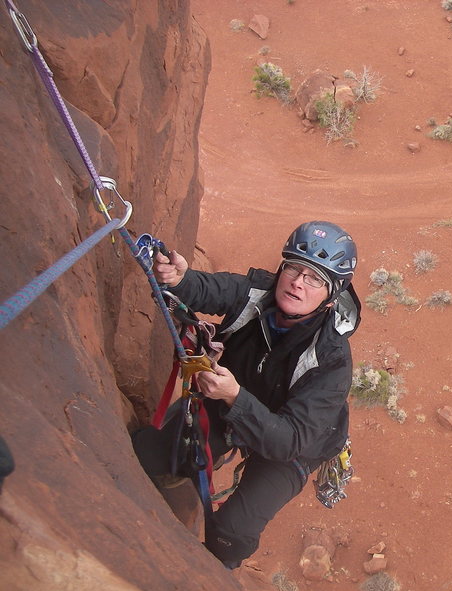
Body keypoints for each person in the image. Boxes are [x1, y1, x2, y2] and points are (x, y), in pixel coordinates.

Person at [132, 221, 360, 569]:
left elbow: (289, 440)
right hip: (232, 402)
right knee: (152, 452)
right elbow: (210, 289)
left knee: (230, 536)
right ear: (281, 269)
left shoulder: (331, 359)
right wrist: (180, 279)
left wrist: (236, 397)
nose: (298, 282)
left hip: (294, 444)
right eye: (294, 269)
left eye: (315, 278)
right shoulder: (258, 292)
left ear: (331, 295)